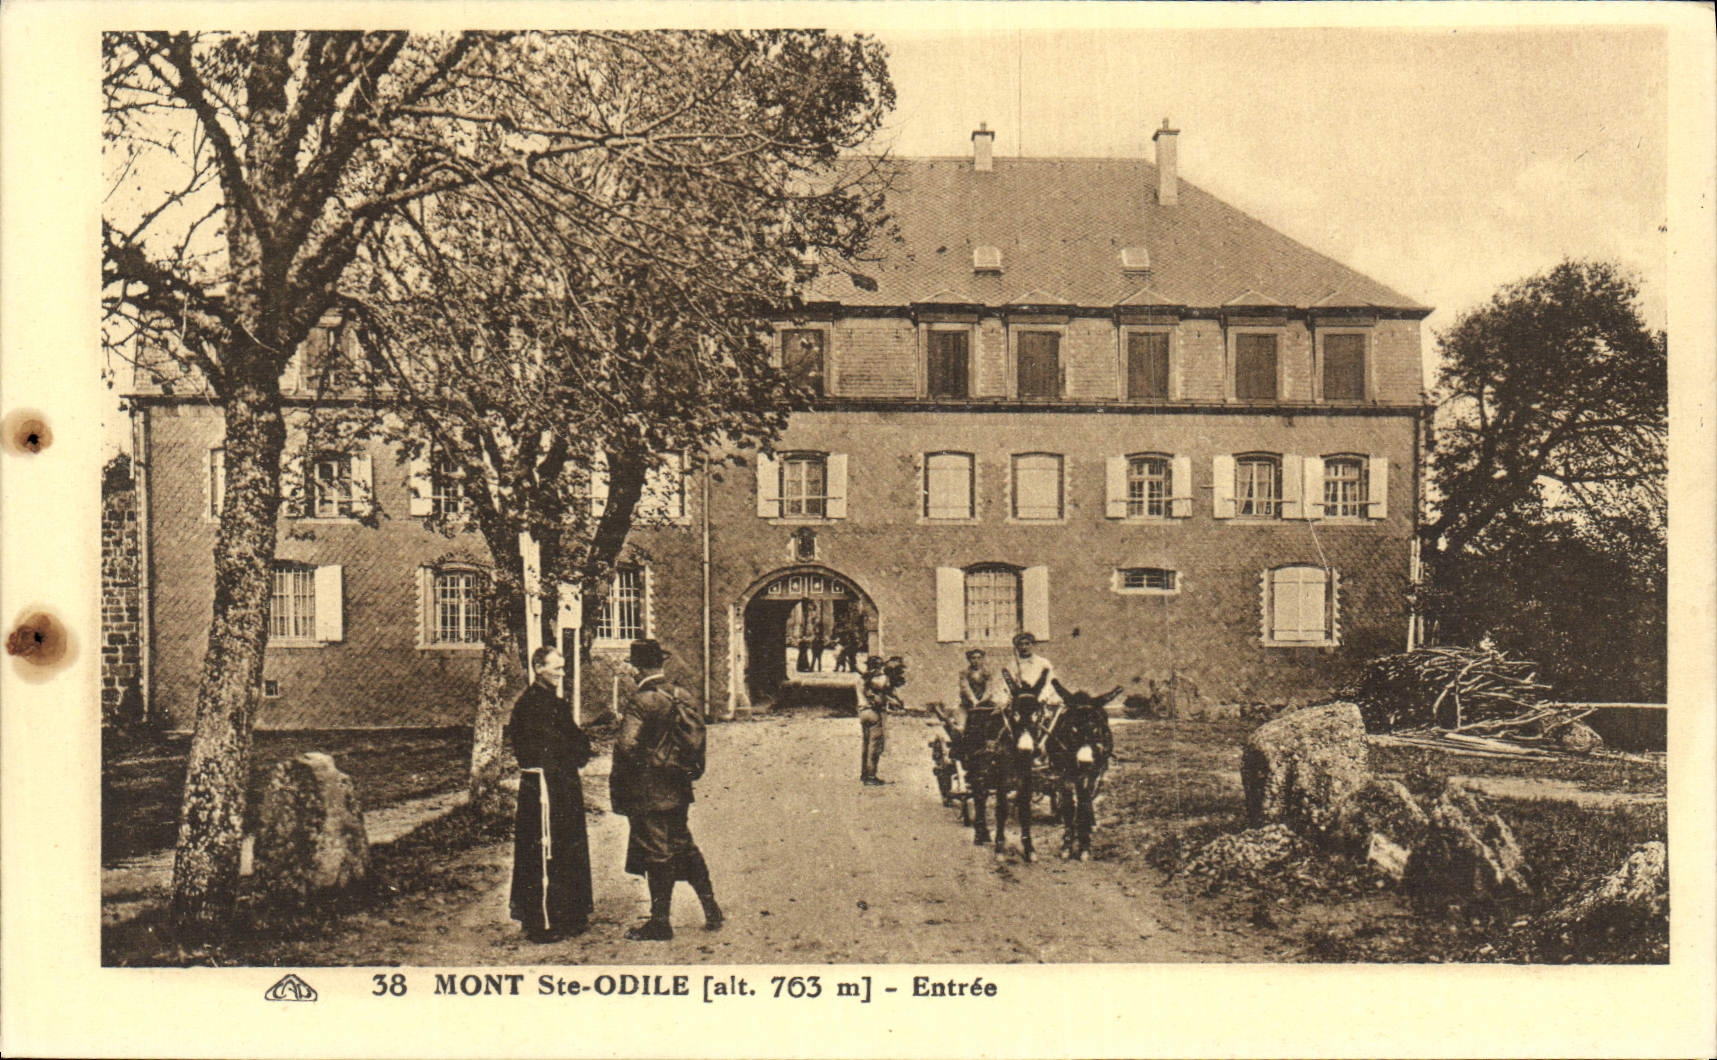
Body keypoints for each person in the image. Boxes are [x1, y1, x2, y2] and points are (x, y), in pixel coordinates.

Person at [609, 639, 722, 941]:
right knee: (683, 844)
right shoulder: (680, 694)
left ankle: (660, 922)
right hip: (678, 787)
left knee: (656, 852)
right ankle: (711, 909)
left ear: (636, 668)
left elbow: (626, 745)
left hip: (649, 791)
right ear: (660, 665)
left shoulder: (641, 700)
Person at [507, 645, 593, 942]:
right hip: (544, 788)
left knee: (565, 845)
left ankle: (568, 914)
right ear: (538, 668)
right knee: (546, 849)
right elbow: (549, 746)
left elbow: (575, 741)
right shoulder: (532, 704)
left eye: (562, 667)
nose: (561, 672)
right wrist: (574, 750)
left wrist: (577, 749)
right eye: (555, 667)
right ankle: (543, 920)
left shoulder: (552, 702)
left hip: (560, 784)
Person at [859, 654, 907, 785]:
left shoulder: (861, 680)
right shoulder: (879, 680)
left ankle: (864, 773)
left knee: (866, 744)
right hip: (874, 713)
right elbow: (886, 690)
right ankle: (871, 776)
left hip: (862, 713)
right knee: (875, 746)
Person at [1005, 632, 1064, 708]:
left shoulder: (1043, 663)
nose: (1024, 647)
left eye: (1027, 644)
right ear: (1016, 647)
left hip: (1042, 699)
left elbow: (1051, 683)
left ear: (1033, 645)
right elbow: (1007, 686)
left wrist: (1042, 698)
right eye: (1020, 644)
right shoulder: (1011, 665)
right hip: (1019, 702)